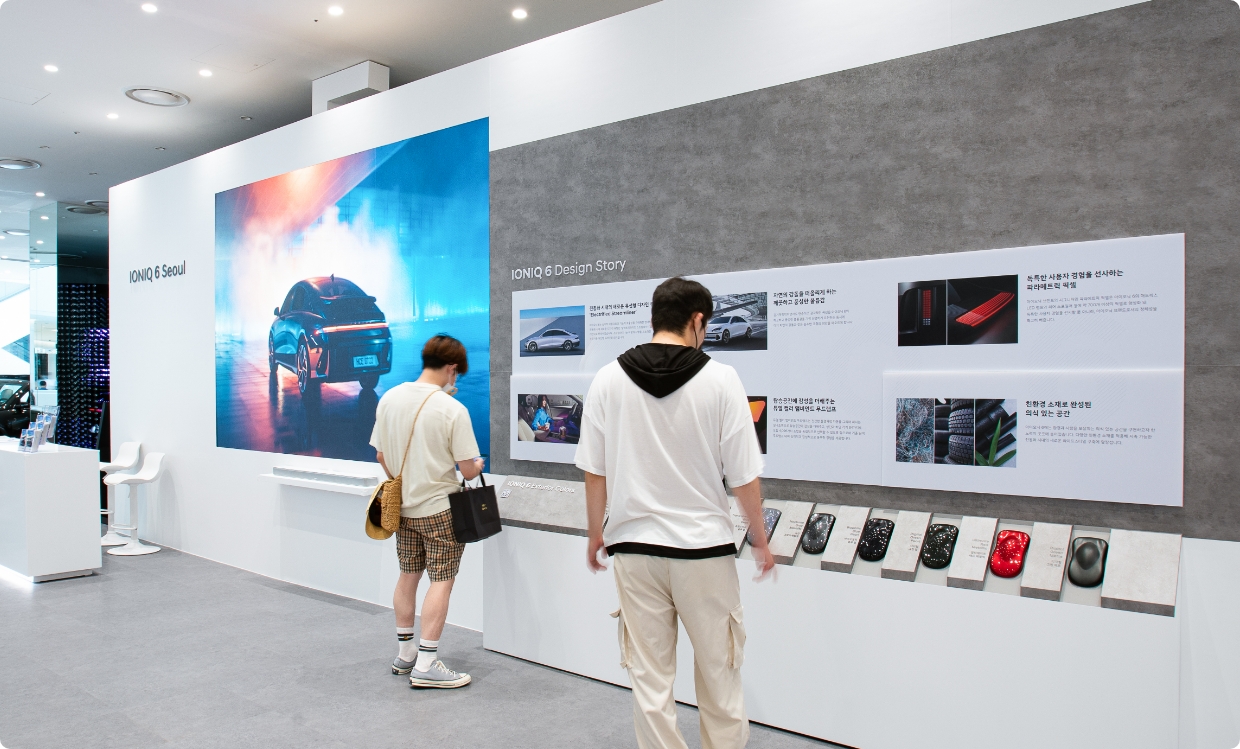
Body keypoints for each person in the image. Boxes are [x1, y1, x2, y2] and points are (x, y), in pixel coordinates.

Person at [576, 276, 773, 749]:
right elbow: (743, 476)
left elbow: (594, 471)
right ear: (698, 321)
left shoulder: (607, 379)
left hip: (635, 551)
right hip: (703, 551)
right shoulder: (722, 379)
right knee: (719, 675)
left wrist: (594, 534)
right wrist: (761, 539)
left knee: (649, 681)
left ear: (653, 319)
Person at [371, 334, 484, 689]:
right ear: (452, 369)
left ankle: (405, 656)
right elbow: (467, 470)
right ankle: (427, 663)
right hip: (440, 510)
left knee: (408, 576)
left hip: (403, 509)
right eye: (458, 373)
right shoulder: (452, 409)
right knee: (441, 580)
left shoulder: (389, 398)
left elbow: (381, 457)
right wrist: (478, 464)